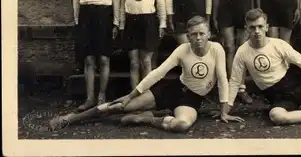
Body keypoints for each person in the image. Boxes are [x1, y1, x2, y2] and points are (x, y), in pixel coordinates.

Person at [49, 16, 243, 133]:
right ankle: (71, 118)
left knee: (182, 126)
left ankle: (147, 119)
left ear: (209, 34)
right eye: (193, 34)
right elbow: (158, 73)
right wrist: (132, 95)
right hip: (171, 90)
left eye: (201, 33)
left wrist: (224, 110)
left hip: (191, 100)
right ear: (188, 35)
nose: (198, 38)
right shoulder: (183, 50)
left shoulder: (217, 49)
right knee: (119, 106)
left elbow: (223, 79)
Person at [72, 0, 120, 111]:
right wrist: (78, 24)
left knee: (104, 59)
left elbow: (116, 1)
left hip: (104, 17)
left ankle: (102, 95)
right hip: (86, 19)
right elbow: (76, 3)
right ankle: (90, 97)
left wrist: (116, 23)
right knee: (89, 60)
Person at [120, 0, 167, 90]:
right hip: (131, 22)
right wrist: (122, 25)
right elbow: (122, 6)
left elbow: (161, 5)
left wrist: (162, 23)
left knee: (146, 61)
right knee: (134, 63)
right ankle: (134, 94)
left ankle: (146, 94)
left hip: (148, 21)